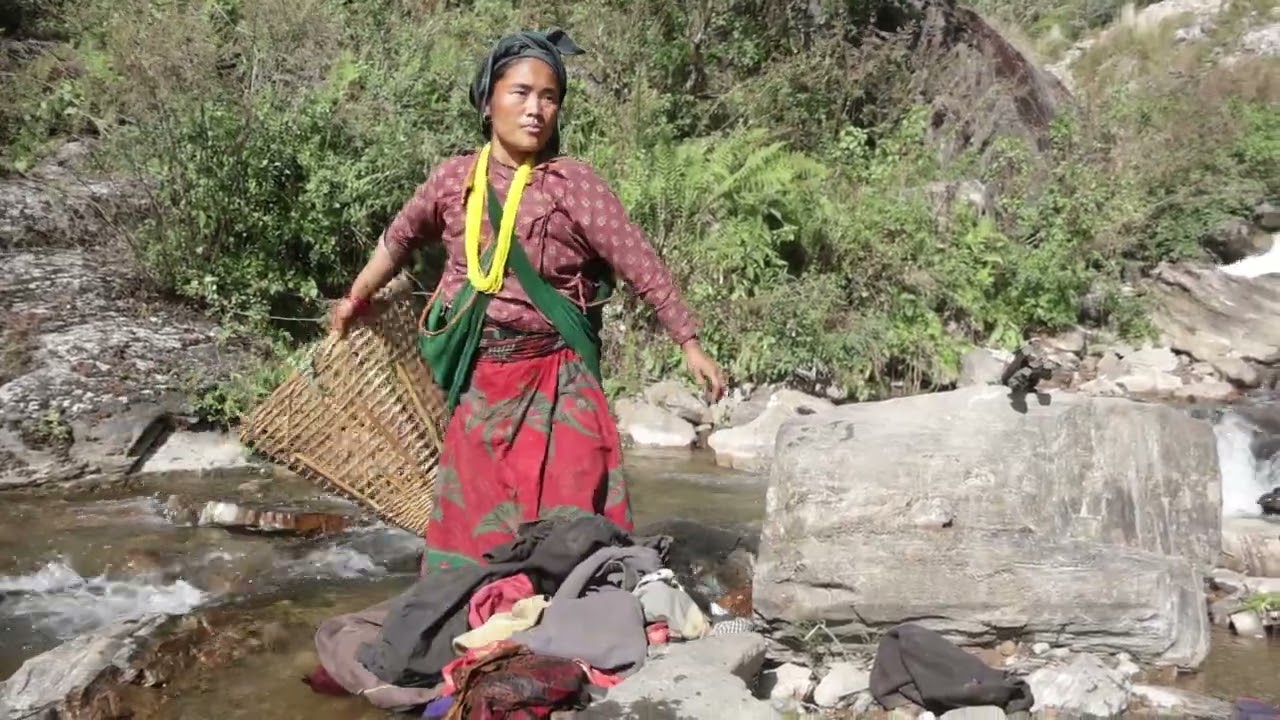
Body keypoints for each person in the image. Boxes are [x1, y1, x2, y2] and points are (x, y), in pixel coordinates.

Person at [329, 28, 725, 571]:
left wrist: (689, 340)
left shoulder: (573, 184)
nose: (536, 109)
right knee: (477, 547)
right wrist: (355, 297)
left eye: (549, 97)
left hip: (559, 381)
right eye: (520, 92)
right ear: (487, 101)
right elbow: (397, 241)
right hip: (481, 385)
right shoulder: (453, 180)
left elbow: (638, 260)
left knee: (572, 536)